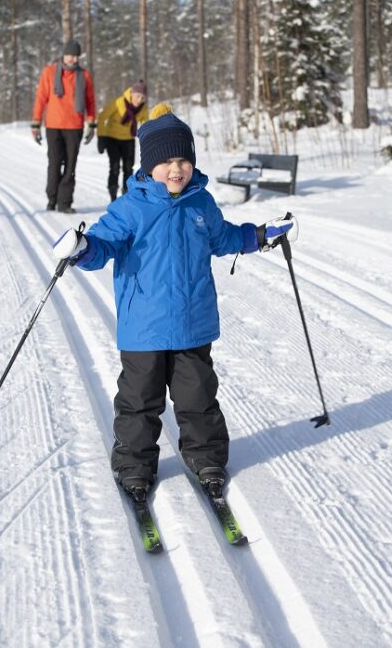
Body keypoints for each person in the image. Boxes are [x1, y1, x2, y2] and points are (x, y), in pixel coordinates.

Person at [53, 103, 297, 501]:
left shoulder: (200, 203)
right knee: (139, 401)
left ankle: (206, 457)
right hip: (144, 327)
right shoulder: (130, 208)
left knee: (198, 397)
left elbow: (224, 238)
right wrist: (81, 248)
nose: (176, 168)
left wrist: (259, 235)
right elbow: (104, 246)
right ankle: (134, 464)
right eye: (166, 160)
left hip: (192, 323)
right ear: (149, 166)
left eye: (183, 159)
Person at [31, 39, 96, 214]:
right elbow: (41, 98)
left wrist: (91, 122)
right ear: (64, 55)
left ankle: (64, 202)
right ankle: (52, 199)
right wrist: (36, 123)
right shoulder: (50, 72)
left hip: (75, 126)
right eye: (70, 55)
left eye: (76, 56)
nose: (73, 59)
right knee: (54, 163)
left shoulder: (84, 75)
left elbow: (90, 101)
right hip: (53, 126)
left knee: (70, 165)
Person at [97, 80, 148, 202]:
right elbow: (103, 116)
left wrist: (148, 140)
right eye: (137, 96)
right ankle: (113, 195)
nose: (139, 100)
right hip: (112, 138)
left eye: (142, 97)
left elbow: (145, 123)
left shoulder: (142, 108)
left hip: (128, 140)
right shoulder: (119, 102)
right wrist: (101, 136)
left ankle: (126, 195)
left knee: (128, 168)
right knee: (114, 167)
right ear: (132, 94)